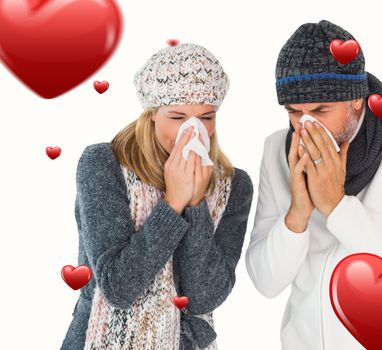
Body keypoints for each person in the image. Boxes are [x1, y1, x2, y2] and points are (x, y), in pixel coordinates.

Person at [245, 20, 382, 350]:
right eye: (293, 112)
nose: (306, 126)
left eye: (320, 110)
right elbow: (266, 281)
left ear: (356, 100)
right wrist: (297, 216)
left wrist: (337, 207)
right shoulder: (278, 149)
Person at [61, 42, 253, 350]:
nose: (192, 133)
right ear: (152, 114)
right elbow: (118, 287)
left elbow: (204, 297)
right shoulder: (101, 164)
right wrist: (173, 202)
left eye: (206, 117)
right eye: (177, 117)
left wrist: (196, 204)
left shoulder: (234, 185)